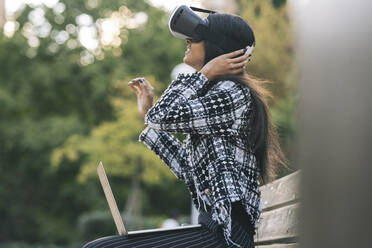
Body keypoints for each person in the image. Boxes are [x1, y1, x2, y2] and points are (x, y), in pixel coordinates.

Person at [83, 10, 287, 248]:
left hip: (226, 237)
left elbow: (161, 116)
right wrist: (148, 115)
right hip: (213, 231)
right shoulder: (218, 96)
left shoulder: (233, 94)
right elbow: (187, 168)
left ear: (216, 48)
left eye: (196, 38)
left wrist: (205, 73)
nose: (187, 42)